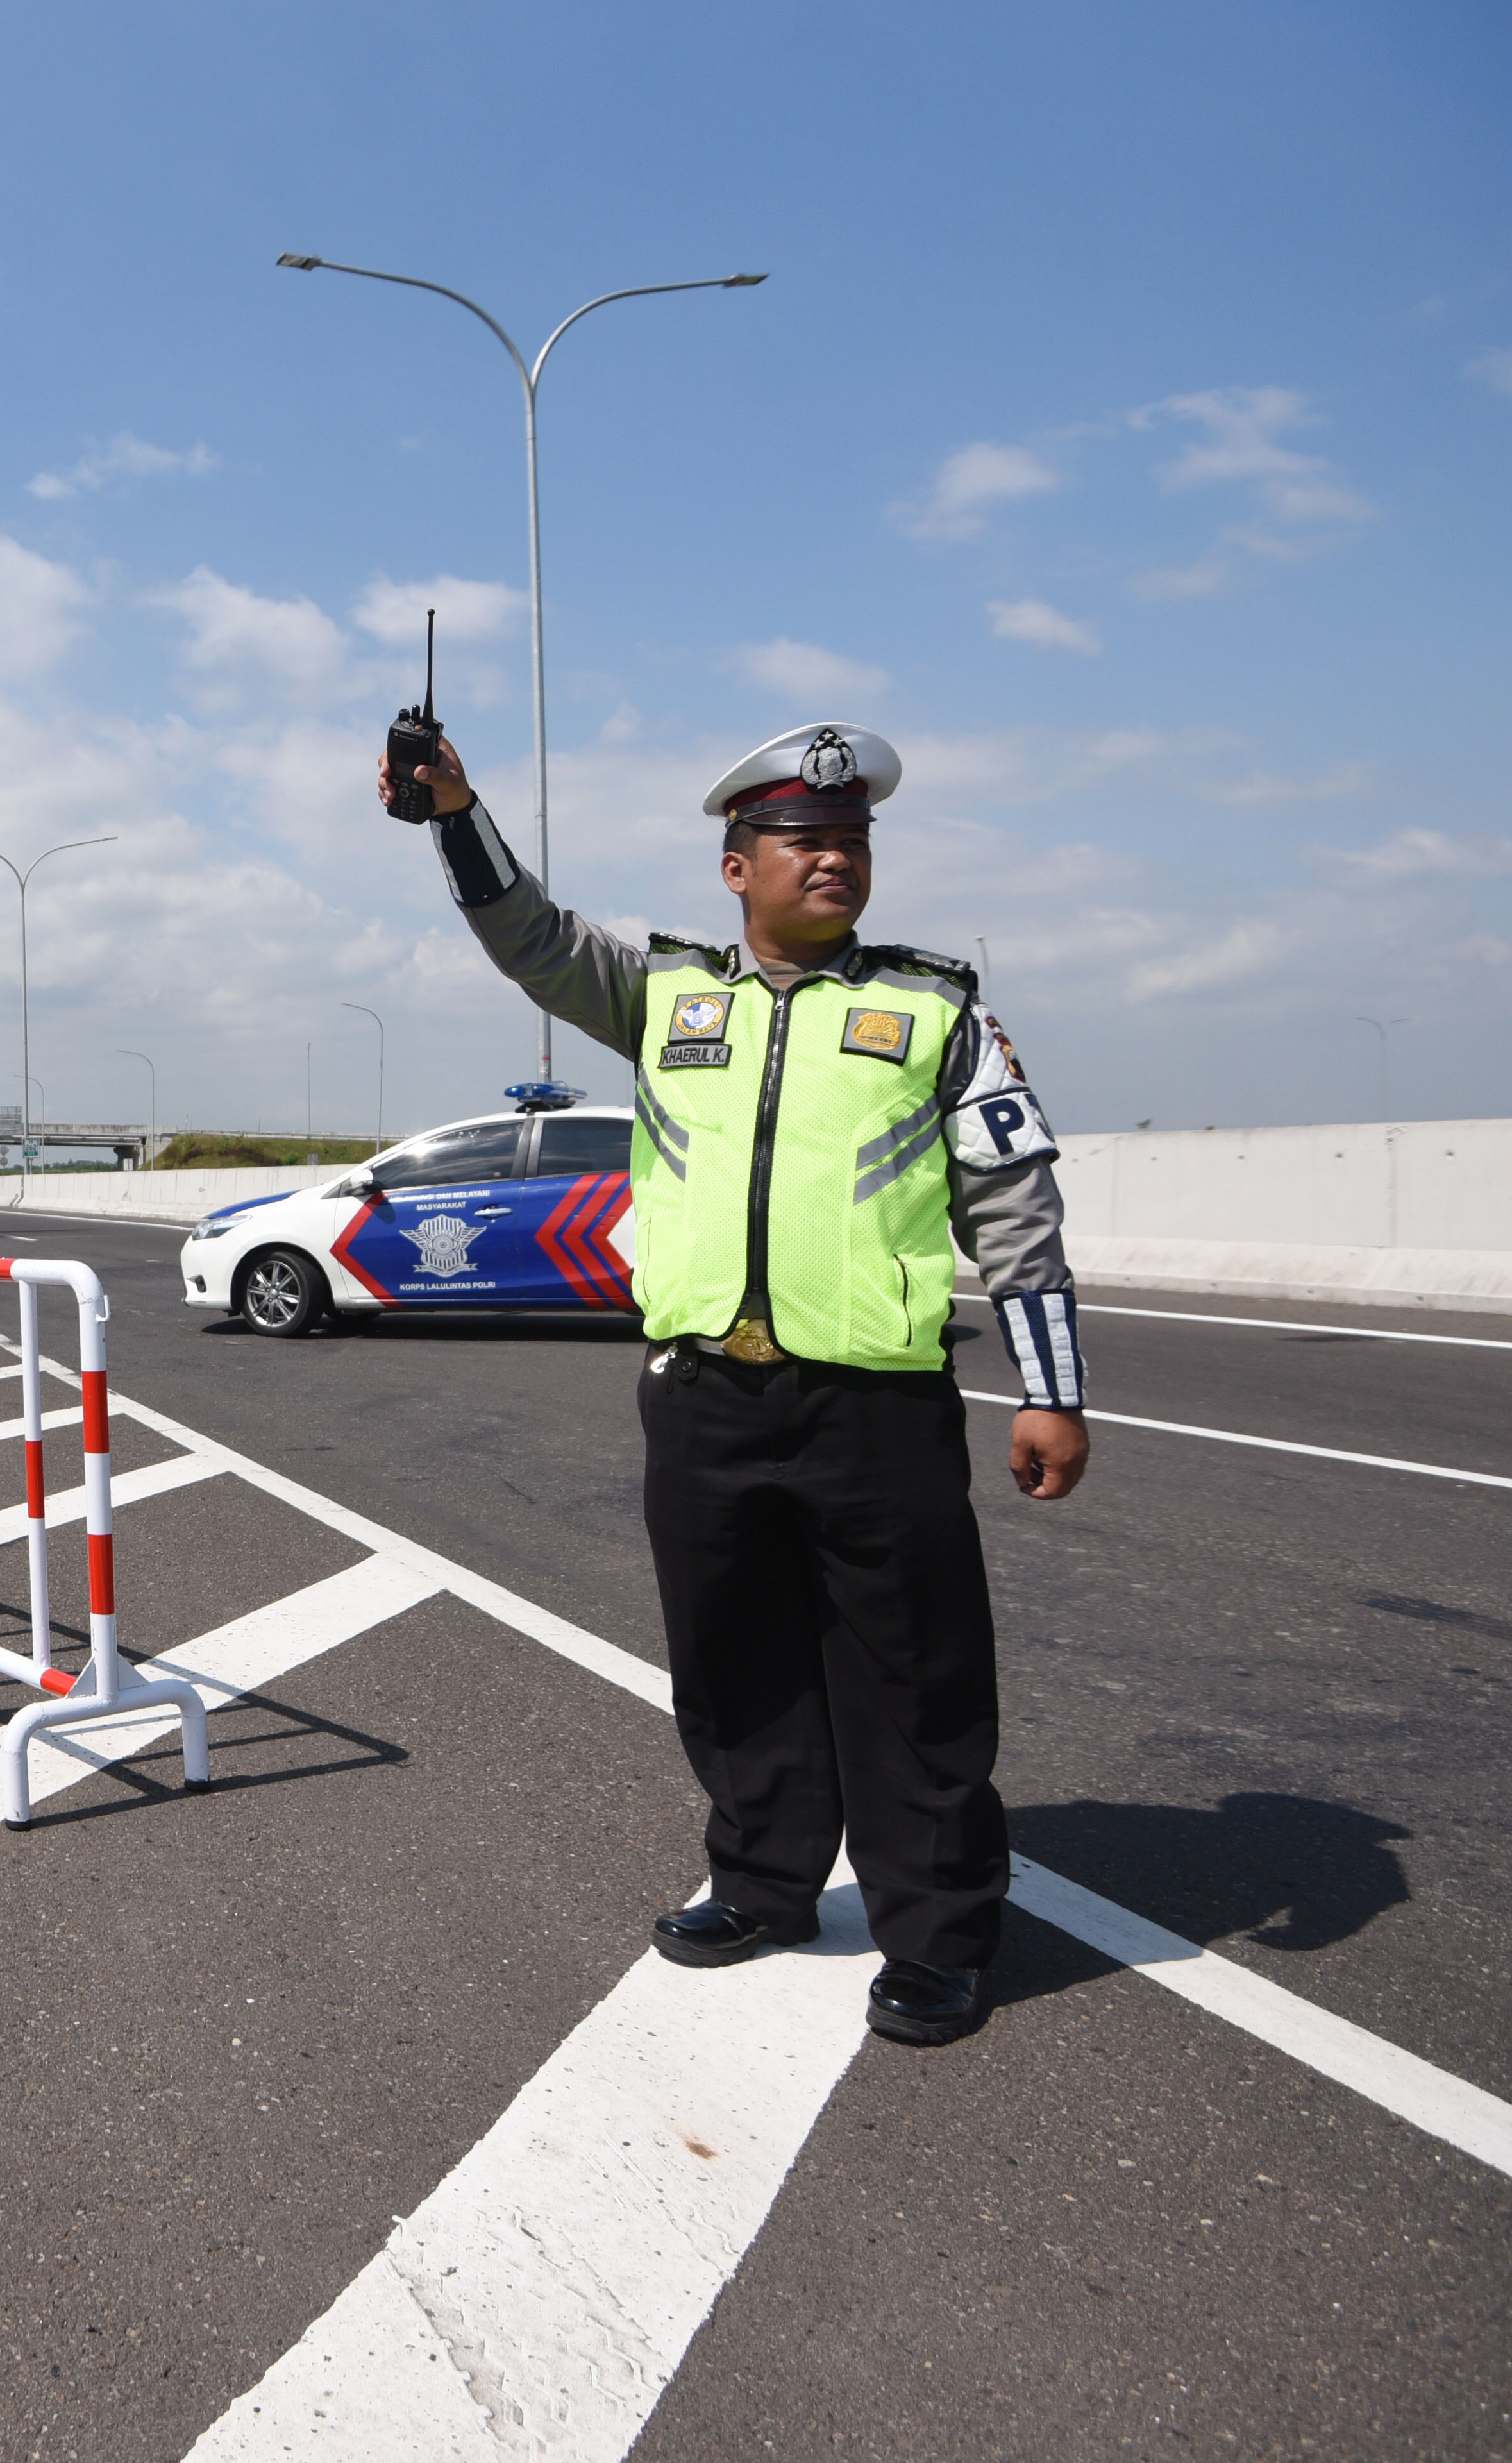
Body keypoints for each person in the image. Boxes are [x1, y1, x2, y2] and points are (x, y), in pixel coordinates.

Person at [389, 720, 1088, 2047]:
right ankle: (765, 1884)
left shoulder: (936, 1011)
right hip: (706, 1394)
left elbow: (1016, 1205)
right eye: (806, 842)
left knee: (914, 1675)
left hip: (876, 1405)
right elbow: (529, 936)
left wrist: (1052, 1391)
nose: (836, 861)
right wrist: (452, 815)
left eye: (853, 842)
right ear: (737, 867)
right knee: (733, 1663)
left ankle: (937, 1933)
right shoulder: (665, 997)